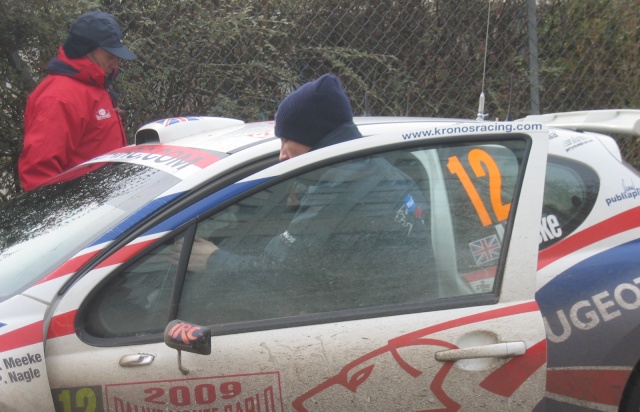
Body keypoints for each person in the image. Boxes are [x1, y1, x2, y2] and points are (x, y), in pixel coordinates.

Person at [178, 73, 433, 320]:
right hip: (394, 309)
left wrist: (213, 259)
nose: (281, 155)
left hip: (367, 319)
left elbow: (280, 272)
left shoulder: (341, 186)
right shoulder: (379, 170)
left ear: (314, 135)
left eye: (287, 140)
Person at [18, 11, 137, 191]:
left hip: (104, 202)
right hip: (82, 210)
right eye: (110, 56)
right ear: (85, 51)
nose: (115, 64)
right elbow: (39, 174)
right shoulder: (59, 98)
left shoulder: (94, 84)